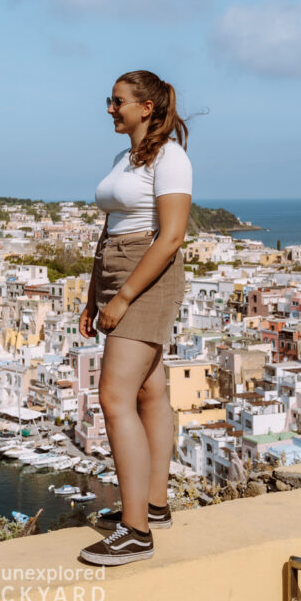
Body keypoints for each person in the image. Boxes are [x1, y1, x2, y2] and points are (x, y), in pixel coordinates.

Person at [78, 70, 192, 567]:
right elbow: (109, 230)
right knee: (149, 391)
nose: (109, 108)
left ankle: (136, 532)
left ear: (146, 107)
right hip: (115, 269)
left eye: (117, 101)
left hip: (147, 272)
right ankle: (153, 506)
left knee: (113, 395)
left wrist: (122, 297)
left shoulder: (171, 157)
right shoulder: (126, 157)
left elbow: (170, 237)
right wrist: (92, 295)